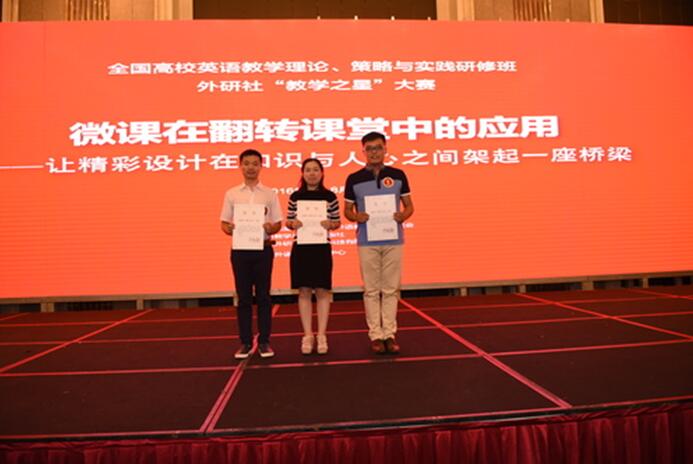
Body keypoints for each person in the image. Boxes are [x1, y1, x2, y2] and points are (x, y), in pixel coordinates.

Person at [344, 132, 414, 354]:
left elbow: (409, 206)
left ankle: (389, 334)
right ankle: (376, 335)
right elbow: (347, 210)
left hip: (394, 239)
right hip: (367, 240)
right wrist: (357, 216)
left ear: (385, 149)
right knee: (372, 290)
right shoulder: (353, 178)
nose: (374, 152)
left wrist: (402, 216)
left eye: (378, 148)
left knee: (391, 289)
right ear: (363, 151)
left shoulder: (398, 175)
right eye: (370, 148)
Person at [220, 149, 282, 359]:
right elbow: (224, 223)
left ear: (261, 166)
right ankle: (245, 342)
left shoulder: (269, 194)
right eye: (246, 163)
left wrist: (271, 228)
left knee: (264, 297)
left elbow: (278, 223)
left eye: (255, 163)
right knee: (244, 298)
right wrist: (229, 228)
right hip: (240, 250)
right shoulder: (232, 194)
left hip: (263, 249)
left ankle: (264, 342)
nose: (250, 167)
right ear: (240, 166)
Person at [285, 158, 340, 355]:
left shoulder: (330, 196)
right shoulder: (295, 196)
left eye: (316, 169)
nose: (312, 173)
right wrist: (293, 224)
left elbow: (337, 222)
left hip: (321, 247)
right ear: (302, 173)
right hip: (301, 247)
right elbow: (288, 221)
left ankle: (322, 335)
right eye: (308, 170)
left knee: (323, 291)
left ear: (322, 173)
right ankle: (308, 335)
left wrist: (330, 224)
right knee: (304, 291)